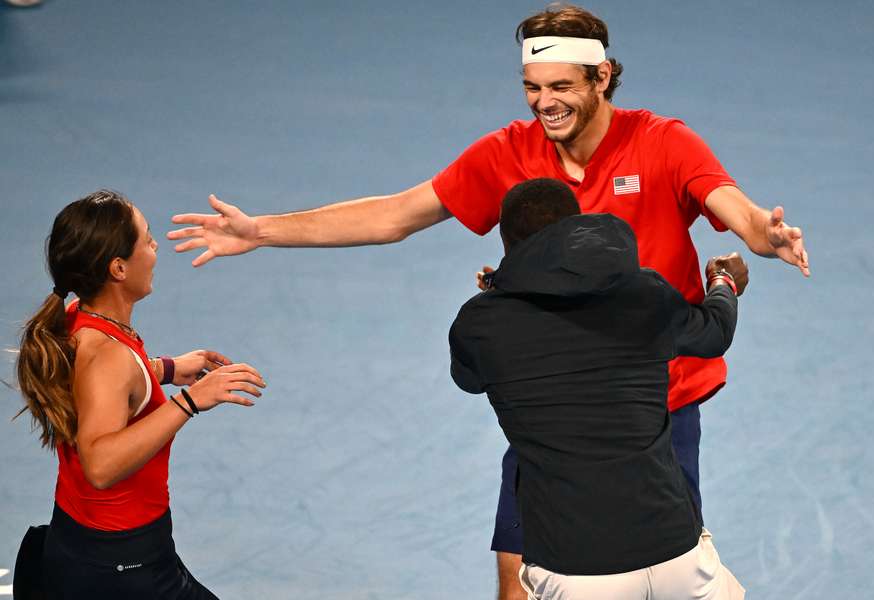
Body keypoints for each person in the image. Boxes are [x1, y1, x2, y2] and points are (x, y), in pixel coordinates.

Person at [166, 5, 808, 598]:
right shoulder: (508, 152)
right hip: (551, 407)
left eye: (561, 87)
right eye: (533, 86)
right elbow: (395, 216)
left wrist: (765, 235)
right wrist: (263, 230)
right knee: (516, 581)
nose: (544, 103)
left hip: (656, 407)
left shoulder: (663, 142)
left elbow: (739, 213)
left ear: (602, 77)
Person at [450, 178, 746, 599]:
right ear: (578, 227)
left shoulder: (480, 325)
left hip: (576, 571)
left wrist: (501, 292)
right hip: (676, 557)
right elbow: (714, 332)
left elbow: (469, 377)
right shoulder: (644, 292)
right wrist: (723, 282)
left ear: (505, 242)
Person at [13, 190, 265, 600]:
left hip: (79, 546)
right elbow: (100, 465)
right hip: (122, 570)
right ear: (118, 268)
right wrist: (191, 401)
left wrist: (163, 370)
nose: (155, 249)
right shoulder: (108, 357)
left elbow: (102, 393)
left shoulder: (77, 319)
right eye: (147, 239)